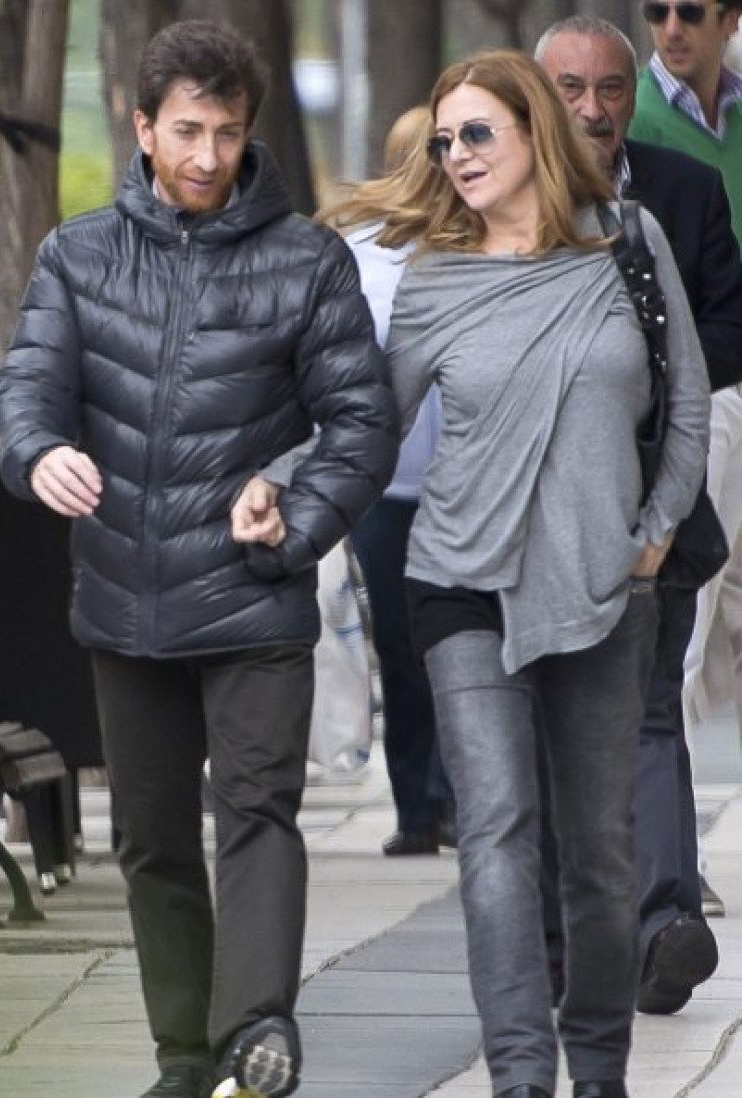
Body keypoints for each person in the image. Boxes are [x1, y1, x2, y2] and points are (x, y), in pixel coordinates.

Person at [0, 19, 398, 1098]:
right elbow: (25, 388)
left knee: (255, 815)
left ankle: (257, 1032)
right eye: (186, 131)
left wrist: (297, 512)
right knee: (151, 840)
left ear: (249, 130)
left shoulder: (305, 260)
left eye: (225, 131)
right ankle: (186, 1058)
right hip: (126, 601)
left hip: (255, 598)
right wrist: (41, 452)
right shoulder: (77, 255)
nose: (208, 156)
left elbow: (362, 423)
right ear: (141, 127)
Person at [326, 48, 709, 1098]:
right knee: (494, 833)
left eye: (474, 134)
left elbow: (680, 403)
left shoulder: (630, 245)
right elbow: (368, 429)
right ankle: (520, 1077)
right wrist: (277, 482)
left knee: (596, 855)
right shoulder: (435, 279)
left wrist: (655, 531)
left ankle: (595, 1070)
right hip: (462, 580)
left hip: (601, 586)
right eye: (444, 140)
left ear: (533, 130)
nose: (453, 155)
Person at [536, 14, 742, 1015]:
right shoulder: (489, 198)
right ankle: (560, 939)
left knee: (650, 711)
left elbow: (727, 328)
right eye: (568, 87)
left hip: (655, 498)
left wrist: (645, 395)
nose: (590, 107)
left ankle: (665, 925)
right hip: (530, 521)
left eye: (607, 88)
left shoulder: (685, 192)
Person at [629, 0, 742, 924]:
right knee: (686, 624)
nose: (672, 26)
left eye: (692, 11)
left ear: (731, 19)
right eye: (657, 9)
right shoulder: (623, 121)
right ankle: (673, 852)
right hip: (699, 404)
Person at [346, 106, 456, 856]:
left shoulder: (483, 245)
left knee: (462, 642)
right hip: (387, 489)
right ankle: (418, 806)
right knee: (401, 647)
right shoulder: (359, 255)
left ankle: (462, 798)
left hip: (470, 485)